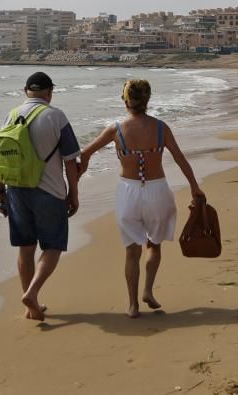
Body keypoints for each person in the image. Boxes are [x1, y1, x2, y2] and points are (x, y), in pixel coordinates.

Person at [79, 79, 204, 318]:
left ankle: (132, 305)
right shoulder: (160, 128)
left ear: (126, 100)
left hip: (128, 192)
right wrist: (194, 187)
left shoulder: (116, 129)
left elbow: (86, 153)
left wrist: (74, 182)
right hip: (157, 190)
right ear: (147, 100)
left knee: (131, 251)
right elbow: (179, 158)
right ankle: (148, 290)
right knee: (154, 245)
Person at [0, 71, 81, 321]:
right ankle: (32, 293)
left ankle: (30, 306)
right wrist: (73, 194)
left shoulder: (10, 116)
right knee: (53, 246)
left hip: (16, 191)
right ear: (49, 92)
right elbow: (70, 162)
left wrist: (0, 194)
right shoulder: (56, 116)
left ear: (25, 91)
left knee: (25, 248)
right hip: (49, 191)